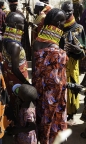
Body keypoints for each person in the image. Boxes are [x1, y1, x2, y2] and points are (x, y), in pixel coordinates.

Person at [32, 8, 83, 144]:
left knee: (42, 121)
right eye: (61, 21)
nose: (63, 24)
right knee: (52, 125)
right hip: (54, 97)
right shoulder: (57, 52)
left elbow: (36, 72)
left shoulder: (37, 41)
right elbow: (57, 82)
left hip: (39, 91)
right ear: (58, 23)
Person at [60, 1, 86, 123]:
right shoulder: (58, 27)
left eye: (69, 11)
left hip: (73, 64)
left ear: (73, 11)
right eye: (64, 11)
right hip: (60, 64)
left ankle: (71, 114)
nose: (66, 13)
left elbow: (83, 54)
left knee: (73, 88)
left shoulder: (79, 29)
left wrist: (77, 50)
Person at [2, 12, 29, 123]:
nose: (24, 25)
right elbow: (15, 68)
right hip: (17, 78)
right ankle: (17, 124)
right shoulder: (15, 45)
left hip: (9, 76)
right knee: (18, 99)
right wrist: (27, 82)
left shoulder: (5, 38)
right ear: (14, 24)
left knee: (12, 99)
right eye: (22, 23)